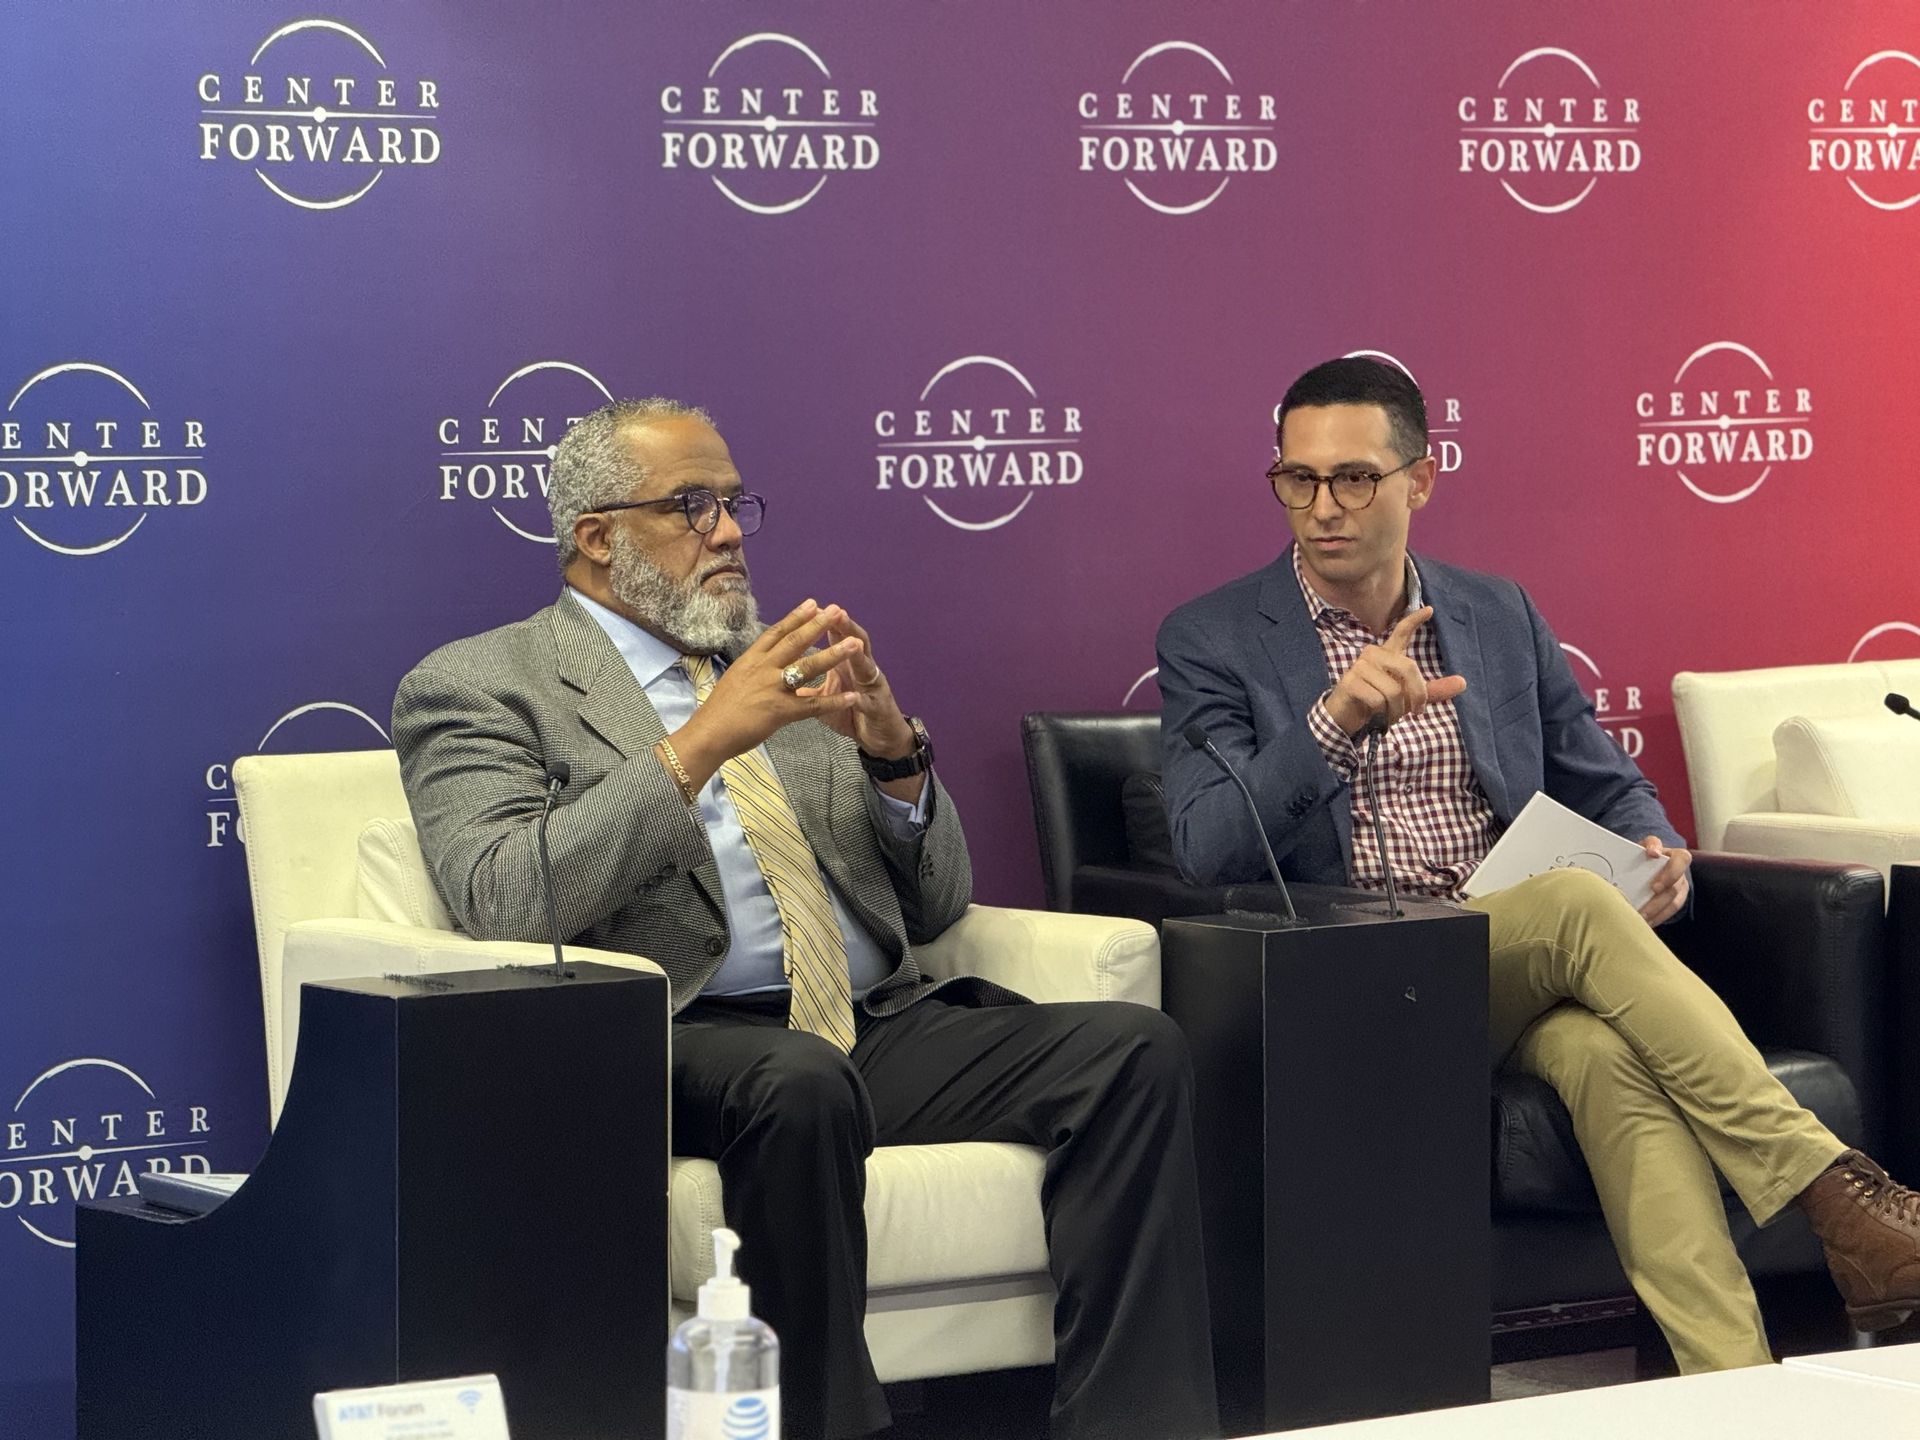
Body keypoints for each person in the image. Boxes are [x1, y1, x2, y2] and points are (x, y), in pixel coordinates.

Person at [393, 398, 1217, 1440]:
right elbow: (504, 891)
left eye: (735, 505)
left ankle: (1136, 1425)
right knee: (799, 1082)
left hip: (870, 1021)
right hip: (676, 1038)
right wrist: (698, 743)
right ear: (597, 538)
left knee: (1132, 1052)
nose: (730, 533)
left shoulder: (785, 660)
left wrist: (891, 755)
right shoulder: (481, 684)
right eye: (691, 507)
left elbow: (937, 905)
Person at [1155, 355, 1920, 1373]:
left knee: (1608, 1064)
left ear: (1420, 479)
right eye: (1297, 478)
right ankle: (1832, 1190)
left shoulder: (1496, 614)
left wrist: (1661, 846)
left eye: (1354, 478)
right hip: (1357, 975)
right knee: (1567, 907)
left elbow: (1608, 781)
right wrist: (1333, 720)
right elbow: (1206, 844)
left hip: (1515, 972)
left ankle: (1733, 1394)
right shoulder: (1213, 637)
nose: (1322, 506)